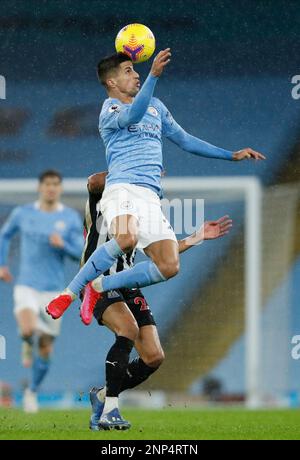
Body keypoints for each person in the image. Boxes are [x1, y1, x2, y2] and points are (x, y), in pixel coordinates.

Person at [46, 49, 265, 328]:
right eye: (128, 71)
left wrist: (230, 155)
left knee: (169, 265)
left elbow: (185, 140)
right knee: (127, 238)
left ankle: (100, 284)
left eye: (137, 71)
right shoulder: (110, 110)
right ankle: (70, 292)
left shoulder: (156, 107)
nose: (136, 75)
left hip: (149, 195)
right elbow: (133, 117)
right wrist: (154, 76)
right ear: (111, 83)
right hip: (122, 187)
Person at [81, 172, 232, 430]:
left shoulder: (142, 207)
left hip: (126, 282)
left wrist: (197, 236)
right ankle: (110, 410)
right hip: (97, 281)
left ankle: (102, 396)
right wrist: (132, 171)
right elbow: (93, 182)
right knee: (128, 329)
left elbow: (163, 254)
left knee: (153, 357)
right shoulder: (107, 196)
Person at [0, 170, 84, 412]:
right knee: (28, 328)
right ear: (40, 187)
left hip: (54, 292)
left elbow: (79, 253)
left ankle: (32, 391)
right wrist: (2, 264)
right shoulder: (23, 213)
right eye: (47, 184)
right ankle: (27, 339)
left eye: (56, 184)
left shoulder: (69, 217)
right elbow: (5, 235)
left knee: (46, 347)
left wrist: (64, 244)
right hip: (26, 284)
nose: (51, 189)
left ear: (60, 189)